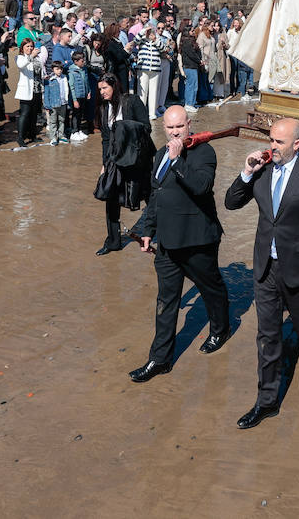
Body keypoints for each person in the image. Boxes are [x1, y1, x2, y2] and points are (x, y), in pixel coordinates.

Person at [224, 118, 299, 430]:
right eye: (271, 140)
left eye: (279, 142)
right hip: (265, 268)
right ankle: (266, 402)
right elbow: (231, 202)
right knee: (267, 335)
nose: (271, 147)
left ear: (296, 144)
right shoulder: (261, 170)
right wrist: (247, 172)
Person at [127, 107, 231, 382]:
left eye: (179, 127)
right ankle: (159, 359)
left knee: (211, 288)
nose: (175, 133)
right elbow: (155, 196)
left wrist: (177, 161)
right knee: (166, 300)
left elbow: (201, 186)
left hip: (197, 239)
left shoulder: (204, 152)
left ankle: (220, 329)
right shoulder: (160, 155)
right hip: (167, 243)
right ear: (164, 127)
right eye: (170, 128)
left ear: (189, 124)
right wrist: (146, 230)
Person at [96, 74, 153, 255]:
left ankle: (160, 232)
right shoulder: (104, 109)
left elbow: (146, 127)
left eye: (104, 88)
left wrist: (123, 128)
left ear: (115, 86)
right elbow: (105, 139)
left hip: (138, 160)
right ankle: (113, 241)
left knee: (149, 196)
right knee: (110, 197)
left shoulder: (132, 101)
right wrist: (105, 163)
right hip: (115, 161)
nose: (102, 92)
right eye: (99, 89)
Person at [13, 38, 43, 149]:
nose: (30, 48)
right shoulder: (20, 57)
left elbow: (39, 71)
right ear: (22, 48)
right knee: (24, 114)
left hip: (37, 88)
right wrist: (31, 56)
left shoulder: (36, 58)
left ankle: (32, 134)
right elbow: (21, 65)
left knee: (34, 114)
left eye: (31, 46)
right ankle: (20, 137)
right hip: (26, 90)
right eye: (27, 46)